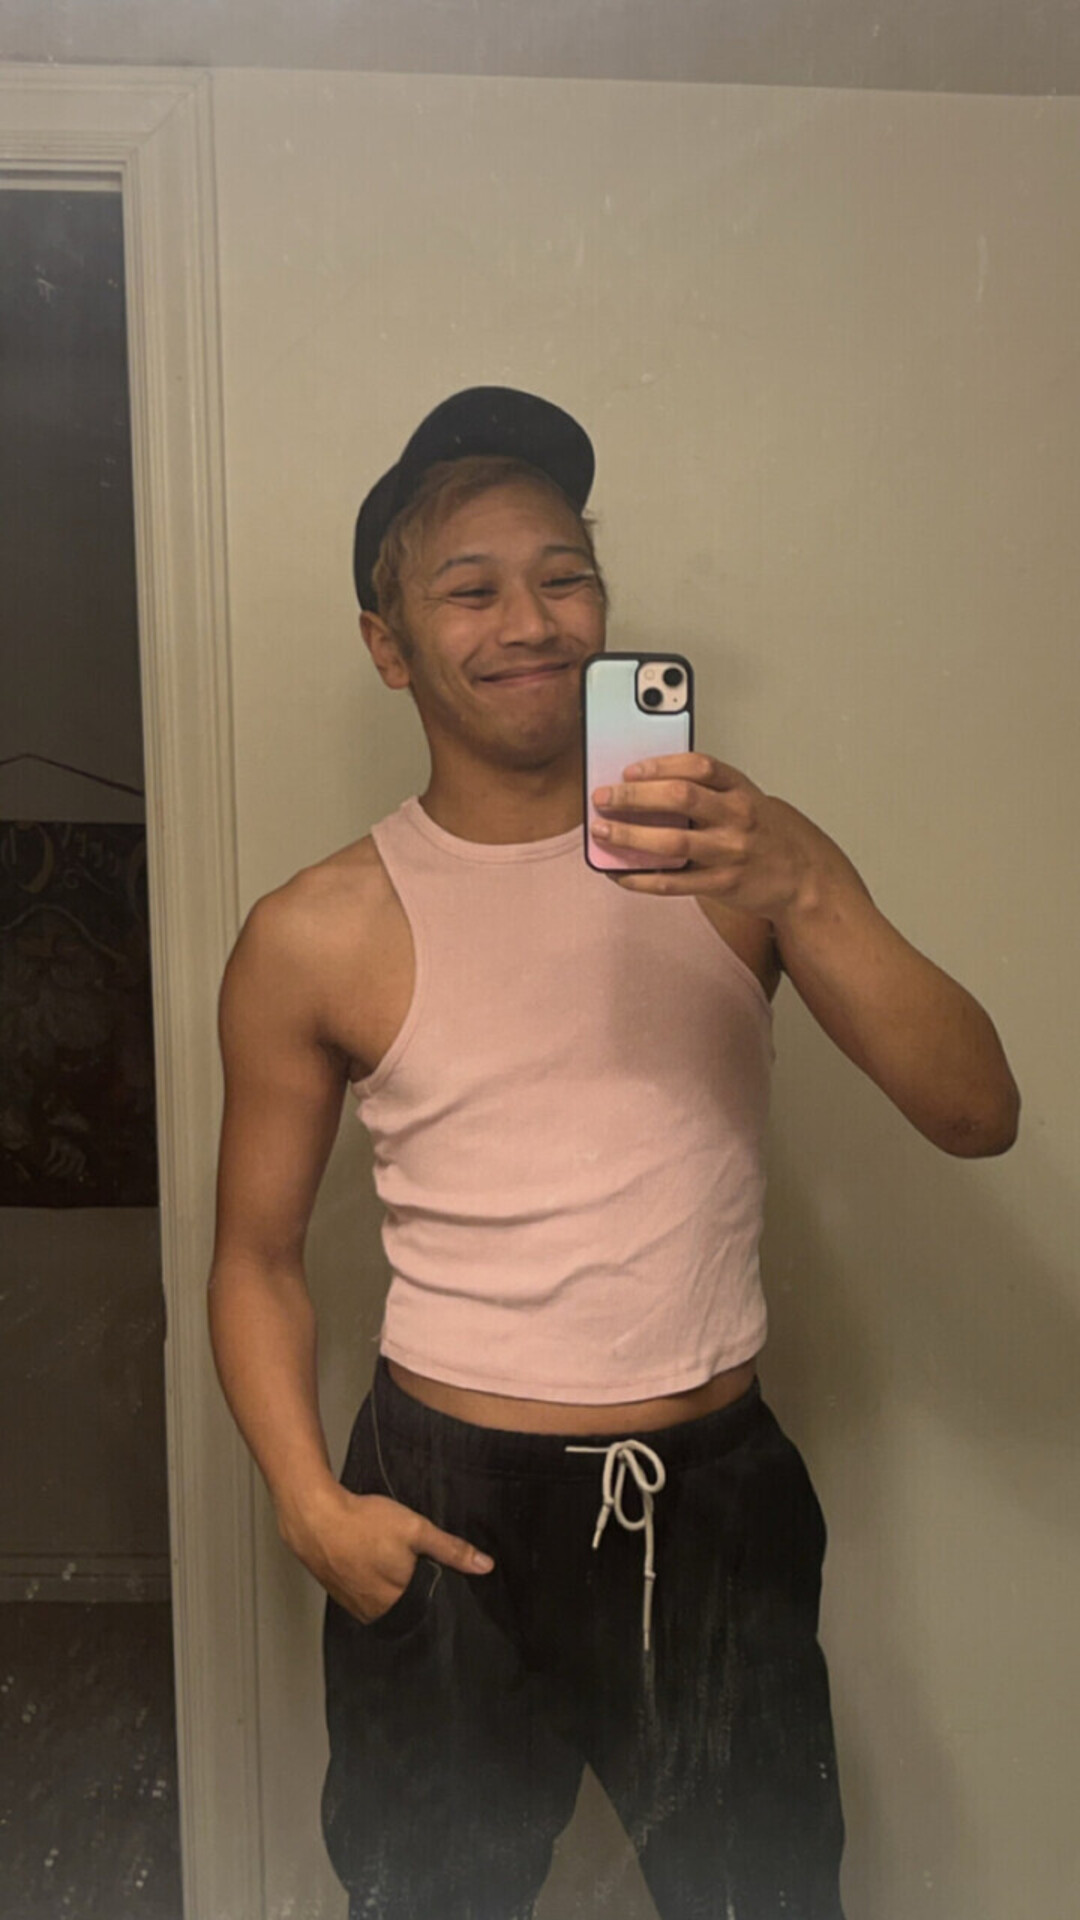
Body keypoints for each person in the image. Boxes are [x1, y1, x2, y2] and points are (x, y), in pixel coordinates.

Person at [208, 388, 1020, 1920]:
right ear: (390, 645)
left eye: (564, 575)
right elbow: (253, 1258)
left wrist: (808, 888)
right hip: (442, 1504)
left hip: (713, 1500)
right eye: (471, 588)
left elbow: (979, 1115)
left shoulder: (744, 859)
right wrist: (310, 1503)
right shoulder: (315, 931)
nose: (532, 620)